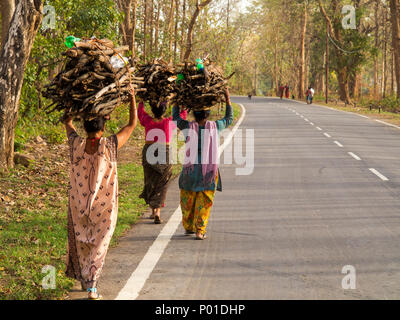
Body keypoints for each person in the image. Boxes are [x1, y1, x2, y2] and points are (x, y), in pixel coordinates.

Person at [64, 86, 137, 300]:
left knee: (82, 240)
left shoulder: (76, 144)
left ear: (84, 126)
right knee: (99, 245)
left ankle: (85, 278)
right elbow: (132, 124)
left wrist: (70, 103)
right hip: (104, 209)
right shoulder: (110, 145)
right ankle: (92, 286)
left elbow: (67, 123)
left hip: (78, 206)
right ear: (103, 128)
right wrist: (132, 98)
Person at [173, 88, 233, 240]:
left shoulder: (187, 127)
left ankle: (188, 226)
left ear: (194, 114)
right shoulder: (216, 126)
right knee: (204, 200)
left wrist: (177, 101)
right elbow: (229, 118)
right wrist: (227, 99)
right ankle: (200, 230)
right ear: (207, 115)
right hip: (208, 171)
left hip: (190, 170)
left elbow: (175, 118)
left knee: (188, 198)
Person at [138, 100, 187, 224]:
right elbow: (182, 117)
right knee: (163, 181)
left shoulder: (148, 120)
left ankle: (153, 211)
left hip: (149, 151)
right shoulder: (169, 122)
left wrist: (141, 102)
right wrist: (183, 107)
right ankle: (158, 211)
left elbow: (140, 113)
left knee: (150, 179)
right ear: (165, 111)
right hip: (165, 151)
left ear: (153, 111)